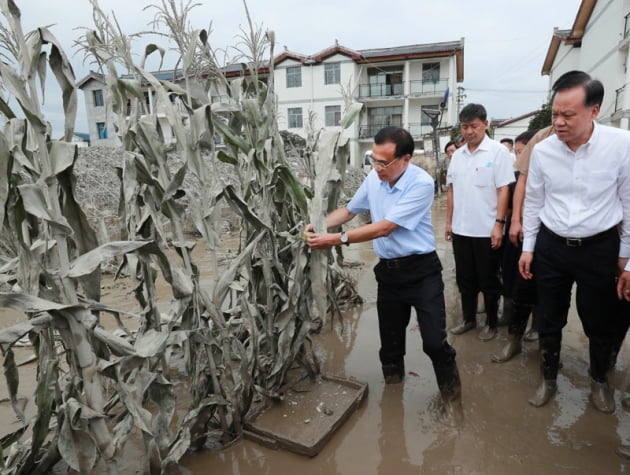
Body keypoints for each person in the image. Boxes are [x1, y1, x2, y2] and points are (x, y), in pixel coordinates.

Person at [306, 126, 462, 422]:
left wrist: (335, 240)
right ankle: (393, 400)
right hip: (388, 274)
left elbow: (386, 226)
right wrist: (319, 225)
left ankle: (452, 401)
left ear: (405, 159)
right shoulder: (374, 178)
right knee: (390, 345)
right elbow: (350, 210)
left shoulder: (422, 183)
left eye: (384, 162)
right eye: (373, 160)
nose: (377, 168)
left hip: (422, 272)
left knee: (434, 343)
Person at [519, 70, 630, 412]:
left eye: (568, 115)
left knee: (599, 320)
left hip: (599, 248)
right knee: (550, 317)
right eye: (555, 114)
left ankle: (599, 381)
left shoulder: (620, 145)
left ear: (593, 111)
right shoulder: (543, 151)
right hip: (552, 246)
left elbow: (628, 202)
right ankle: (549, 377)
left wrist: (626, 257)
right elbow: (534, 201)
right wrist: (528, 248)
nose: (559, 122)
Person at [445, 103, 515, 341]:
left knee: (489, 279)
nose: (469, 131)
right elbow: (451, 191)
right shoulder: (457, 156)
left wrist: (499, 224)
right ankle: (468, 319)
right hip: (461, 229)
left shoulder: (498, 152)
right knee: (465, 279)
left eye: (474, 126)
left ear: (485, 124)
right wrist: (448, 223)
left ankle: (492, 323)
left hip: (487, 230)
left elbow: (504, 189)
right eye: (464, 127)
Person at [492, 129, 540, 363]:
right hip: (516, 234)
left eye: (523, 152)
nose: (520, 157)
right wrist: (509, 222)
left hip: (541, 235)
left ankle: (537, 326)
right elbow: (507, 202)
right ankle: (512, 326)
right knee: (512, 279)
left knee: (538, 283)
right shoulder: (514, 178)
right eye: (518, 152)